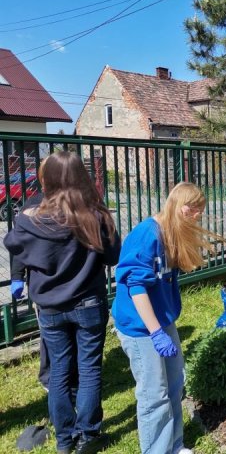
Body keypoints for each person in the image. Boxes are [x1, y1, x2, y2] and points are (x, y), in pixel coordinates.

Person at [4, 152, 121, 454]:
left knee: (58, 370)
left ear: (48, 179)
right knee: (89, 368)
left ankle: (64, 440)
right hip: (89, 304)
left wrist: (21, 277)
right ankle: (88, 436)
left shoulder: (28, 218)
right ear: (81, 177)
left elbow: (19, 250)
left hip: (51, 308)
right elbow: (113, 258)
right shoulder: (96, 215)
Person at [112, 182, 215, 454]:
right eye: (197, 213)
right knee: (153, 394)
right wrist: (156, 332)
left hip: (162, 320)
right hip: (140, 328)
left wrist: (162, 327)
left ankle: (174, 445)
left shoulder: (173, 231)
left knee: (174, 384)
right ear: (184, 209)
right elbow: (135, 287)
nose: (199, 219)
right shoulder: (147, 235)